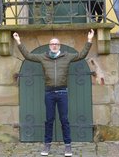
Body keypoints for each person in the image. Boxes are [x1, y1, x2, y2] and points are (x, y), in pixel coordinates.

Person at [13, 29, 94, 157]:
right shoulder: (43, 57)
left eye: (56, 43)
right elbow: (28, 56)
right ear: (50, 46)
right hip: (49, 93)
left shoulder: (67, 56)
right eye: (52, 44)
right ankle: (47, 144)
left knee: (64, 120)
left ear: (59, 45)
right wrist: (18, 41)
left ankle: (68, 146)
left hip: (62, 92)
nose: (54, 45)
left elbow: (81, 55)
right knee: (49, 120)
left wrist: (89, 40)